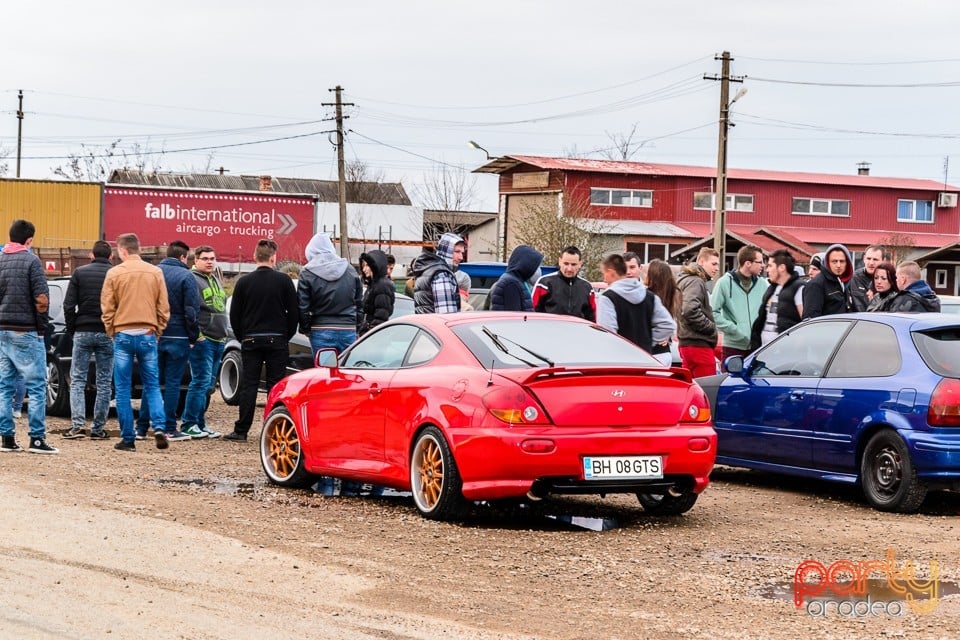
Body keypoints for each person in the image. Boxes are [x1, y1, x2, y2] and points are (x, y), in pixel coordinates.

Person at [100, 233, 170, 452]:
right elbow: (163, 306)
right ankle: (159, 426)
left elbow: (107, 307)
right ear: (138, 249)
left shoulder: (114, 273)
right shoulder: (155, 272)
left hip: (122, 334)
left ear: (122, 251)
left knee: (122, 388)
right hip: (148, 332)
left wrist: (112, 329)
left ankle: (128, 438)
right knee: (152, 385)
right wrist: (157, 329)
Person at [226, 239, 298, 441]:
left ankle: (241, 430)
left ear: (254, 256)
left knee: (249, 385)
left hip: (250, 341)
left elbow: (235, 315)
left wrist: (243, 337)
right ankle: (273, 429)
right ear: (274, 258)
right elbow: (294, 313)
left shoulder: (243, 282)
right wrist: (286, 335)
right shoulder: (284, 281)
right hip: (277, 340)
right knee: (275, 387)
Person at [0, 219, 57, 454]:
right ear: (29, 240)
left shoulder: (0, 259)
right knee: (36, 386)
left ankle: (7, 439)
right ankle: (36, 439)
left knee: (4, 386)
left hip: (2, 330)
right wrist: (42, 326)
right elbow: (42, 300)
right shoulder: (32, 261)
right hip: (26, 330)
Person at [136, 240, 200, 441]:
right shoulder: (186, 276)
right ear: (183, 257)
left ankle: (141, 428)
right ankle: (170, 428)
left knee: (151, 383)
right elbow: (191, 311)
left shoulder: (151, 273)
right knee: (172, 383)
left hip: (153, 334)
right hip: (179, 336)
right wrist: (193, 336)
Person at [63, 240, 114, 440]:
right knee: (104, 382)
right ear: (111, 257)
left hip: (83, 331)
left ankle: (77, 426)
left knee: (77, 379)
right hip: (106, 332)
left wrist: (73, 328)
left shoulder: (79, 273)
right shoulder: (115, 274)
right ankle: (98, 428)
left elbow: (68, 305)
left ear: (91, 255)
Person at [179, 245, 229, 439]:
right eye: (205, 258)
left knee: (208, 385)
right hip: (204, 339)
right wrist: (197, 335)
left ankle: (200, 423)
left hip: (219, 339)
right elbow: (189, 309)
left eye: (212, 258)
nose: (210, 261)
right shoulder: (192, 279)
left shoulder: (214, 278)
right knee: (199, 382)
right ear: (195, 261)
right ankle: (189, 423)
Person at [298, 232, 363, 356]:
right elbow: (359, 303)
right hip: (348, 328)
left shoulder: (307, 273)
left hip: (320, 329)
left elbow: (303, 306)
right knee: (346, 371)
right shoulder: (350, 270)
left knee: (324, 371)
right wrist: (357, 326)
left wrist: (305, 328)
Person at [597, 254, 676, 355]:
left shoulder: (607, 298)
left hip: (619, 358)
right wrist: (647, 342)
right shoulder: (650, 296)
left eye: (604, 274)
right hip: (645, 358)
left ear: (611, 272)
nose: (604, 279)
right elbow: (668, 325)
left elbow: (607, 334)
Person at [710, 245, 767, 363]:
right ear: (748, 263)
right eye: (760, 262)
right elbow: (712, 312)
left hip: (757, 348)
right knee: (731, 381)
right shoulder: (724, 283)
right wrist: (734, 329)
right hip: (733, 347)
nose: (763, 265)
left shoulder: (763, 284)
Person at [676, 247, 720, 378]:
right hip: (698, 344)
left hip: (687, 343)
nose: (717, 268)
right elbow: (689, 310)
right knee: (707, 390)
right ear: (701, 262)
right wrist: (710, 327)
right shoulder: (696, 281)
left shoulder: (687, 279)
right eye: (713, 264)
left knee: (691, 387)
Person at [751, 249, 805, 349]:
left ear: (782, 268)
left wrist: (796, 347)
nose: (767, 270)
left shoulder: (798, 288)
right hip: (764, 350)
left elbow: (805, 322)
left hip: (785, 350)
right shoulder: (772, 289)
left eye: (770, 266)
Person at [532, 246, 596, 321]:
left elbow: (592, 318)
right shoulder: (544, 283)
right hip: (549, 330)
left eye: (573, 264)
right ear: (560, 261)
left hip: (577, 331)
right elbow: (532, 311)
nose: (569, 269)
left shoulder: (587, 288)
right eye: (566, 264)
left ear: (580, 264)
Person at [410, 232, 464, 314]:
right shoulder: (442, 274)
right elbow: (446, 316)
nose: (461, 257)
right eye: (457, 252)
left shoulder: (428, 269)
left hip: (425, 325)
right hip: (435, 326)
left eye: (462, 253)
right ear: (446, 252)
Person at [644, 259, 682, 366]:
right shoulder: (670, 297)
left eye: (648, 273)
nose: (645, 275)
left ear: (653, 277)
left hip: (650, 354)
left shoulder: (647, 297)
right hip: (664, 353)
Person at [802, 244, 854, 319]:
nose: (838, 265)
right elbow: (810, 318)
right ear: (827, 262)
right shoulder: (816, 284)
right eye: (834, 261)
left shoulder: (843, 283)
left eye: (842, 261)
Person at [489, 245, 543, 311]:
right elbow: (514, 317)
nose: (536, 269)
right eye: (534, 266)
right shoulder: (511, 283)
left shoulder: (515, 281)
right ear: (526, 264)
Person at [359, 249, 396, 334]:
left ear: (375, 265)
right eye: (363, 266)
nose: (364, 269)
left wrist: (370, 333)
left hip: (374, 335)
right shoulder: (374, 284)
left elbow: (381, 316)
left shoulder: (382, 285)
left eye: (367, 265)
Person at [850, 244, 885, 312]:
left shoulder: (889, 281)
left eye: (875, 259)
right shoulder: (853, 278)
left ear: (883, 261)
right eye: (868, 259)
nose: (871, 263)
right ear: (864, 259)